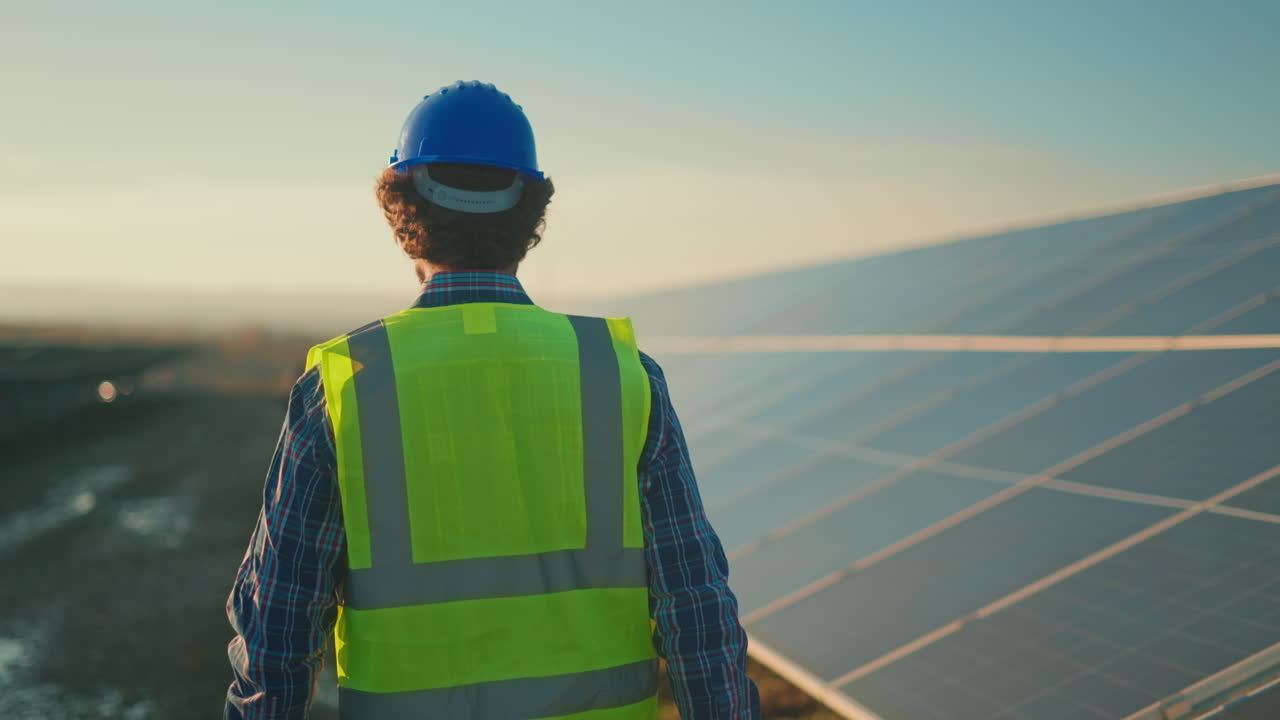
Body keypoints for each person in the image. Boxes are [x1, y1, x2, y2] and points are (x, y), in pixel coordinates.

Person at [224, 80, 761, 720]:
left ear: (401, 212)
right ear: (529, 215)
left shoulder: (346, 381)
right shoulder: (619, 373)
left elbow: (279, 624)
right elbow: (695, 607)